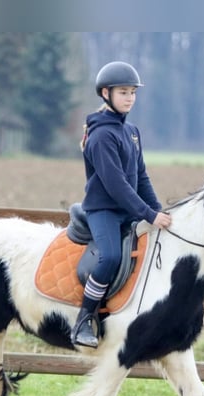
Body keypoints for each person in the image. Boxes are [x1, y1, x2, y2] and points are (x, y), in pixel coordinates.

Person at [71, 61, 172, 348]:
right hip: (103, 211)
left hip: (128, 210)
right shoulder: (101, 136)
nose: (130, 98)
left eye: (132, 93)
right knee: (111, 257)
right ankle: (83, 320)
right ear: (106, 93)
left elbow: (141, 176)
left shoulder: (132, 132)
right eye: (124, 92)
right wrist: (148, 214)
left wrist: (159, 210)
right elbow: (116, 186)